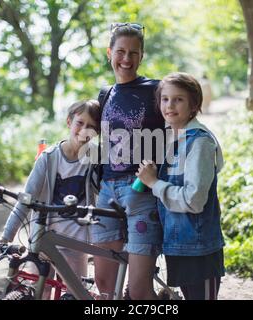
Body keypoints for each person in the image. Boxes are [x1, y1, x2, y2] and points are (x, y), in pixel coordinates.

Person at [0, 99, 101, 299]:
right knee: (38, 291)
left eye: (92, 127)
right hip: (43, 240)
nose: (84, 130)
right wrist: (6, 236)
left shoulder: (96, 158)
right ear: (69, 122)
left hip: (74, 242)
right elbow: (26, 199)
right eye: (80, 123)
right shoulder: (49, 158)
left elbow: (104, 196)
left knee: (75, 294)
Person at [90, 22, 166, 300]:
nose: (126, 59)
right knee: (103, 283)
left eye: (134, 53)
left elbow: (179, 127)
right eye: (120, 51)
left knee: (138, 291)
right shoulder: (105, 94)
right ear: (109, 53)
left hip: (141, 193)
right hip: (107, 191)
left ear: (142, 56)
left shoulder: (156, 90)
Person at [136, 72, 226, 300]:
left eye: (179, 99)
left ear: (194, 104)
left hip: (199, 247)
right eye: (165, 99)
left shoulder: (200, 142)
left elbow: (193, 201)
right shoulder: (168, 137)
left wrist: (154, 183)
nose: (170, 105)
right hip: (177, 245)